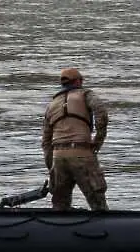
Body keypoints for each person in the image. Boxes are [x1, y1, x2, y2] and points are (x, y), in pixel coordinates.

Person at [41, 67, 109, 211]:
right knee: (98, 203)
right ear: (79, 81)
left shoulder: (52, 104)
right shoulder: (86, 95)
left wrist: (51, 166)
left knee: (60, 205)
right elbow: (101, 113)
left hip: (58, 157)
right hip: (82, 154)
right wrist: (98, 141)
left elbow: (46, 142)